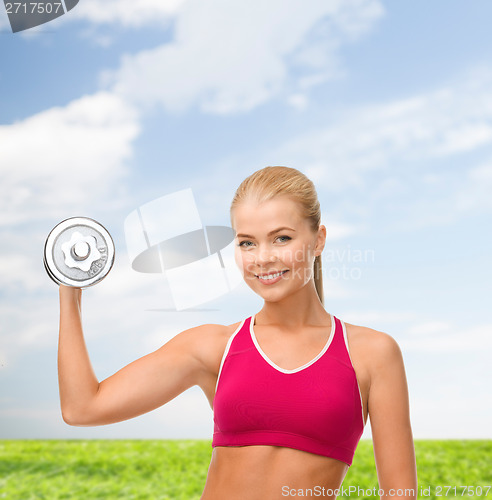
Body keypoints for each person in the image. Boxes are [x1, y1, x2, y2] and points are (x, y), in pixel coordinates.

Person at [58, 166, 418, 499]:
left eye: (281, 238)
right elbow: (82, 408)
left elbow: (400, 494)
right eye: (247, 242)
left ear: (318, 239)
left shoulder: (371, 353)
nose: (262, 258)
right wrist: (69, 288)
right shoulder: (214, 347)